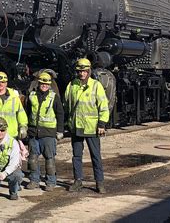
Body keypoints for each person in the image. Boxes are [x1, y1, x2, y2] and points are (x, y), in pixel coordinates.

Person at [64, 58, 109, 194]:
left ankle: (99, 183)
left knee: (96, 156)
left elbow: (103, 106)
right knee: (76, 156)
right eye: (80, 71)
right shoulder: (71, 85)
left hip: (91, 127)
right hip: (76, 127)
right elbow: (67, 104)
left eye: (84, 71)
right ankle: (78, 181)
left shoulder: (96, 86)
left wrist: (101, 124)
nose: (82, 74)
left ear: (89, 71)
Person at [24, 71, 64, 191]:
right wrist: (25, 127)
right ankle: (34, 180)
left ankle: (51, 182)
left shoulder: (54, 97)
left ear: (50, 85)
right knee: (32, 159)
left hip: (48, 133)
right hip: (34, 133)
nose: (44, 86)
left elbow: (60, 114)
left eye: (46, 84)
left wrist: (60, 131)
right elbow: (27, 112)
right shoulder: (31, 96)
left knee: (49, 159)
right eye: (42, 83)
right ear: (38, 83)